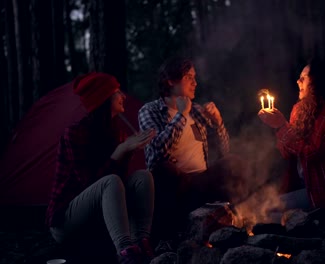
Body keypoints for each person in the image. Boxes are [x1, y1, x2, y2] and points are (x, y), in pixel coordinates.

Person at [45, 72, 156, 264]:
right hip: (66, 220)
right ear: (104, 98)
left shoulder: (116, 132)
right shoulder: (75, 133)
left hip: (96, 216)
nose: (123, 96)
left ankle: (141, 242)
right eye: (117, 92)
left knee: (142, 176)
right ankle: (125, 251)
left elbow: (117, 187)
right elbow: (89, 183)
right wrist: (119, 152)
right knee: (110, 181)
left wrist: (127, 151)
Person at [138, 57, 241, 242]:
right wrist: (181, 115)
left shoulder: (197, 111)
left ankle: (236, 222)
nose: (195, 82)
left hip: (201, 180)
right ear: (171, 81)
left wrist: (218, 124)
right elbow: (158, 152)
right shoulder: (150, 111)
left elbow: (223, 151)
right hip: (175, 185)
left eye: (195, 77)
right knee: (164, 169)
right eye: (188, 77)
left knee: (233, 162)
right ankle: (171, 235)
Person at [257, 59, 325, 218]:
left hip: (323, 194)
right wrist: (278, 126)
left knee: (269, 213)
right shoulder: (298, 110)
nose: (298, 81)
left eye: (303, 78)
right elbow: (288, 153)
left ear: (317, 83)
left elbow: (312, 152)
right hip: (303, 186)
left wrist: (281, 127)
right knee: (261, 205)